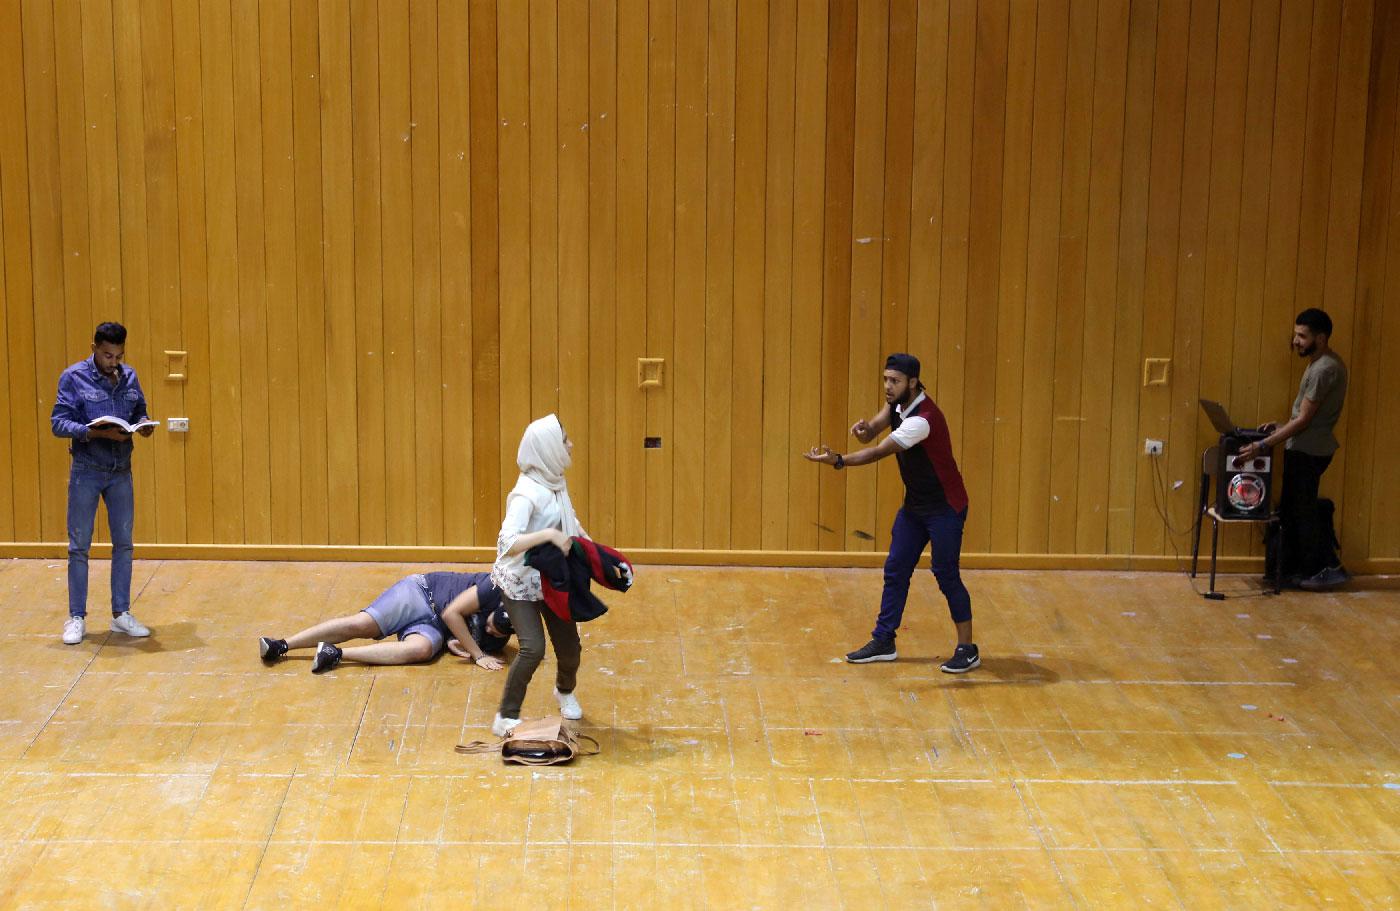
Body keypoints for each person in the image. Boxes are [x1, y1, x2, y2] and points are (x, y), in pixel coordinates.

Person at [803, 353, 979, 673]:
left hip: (945, 509)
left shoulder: (922, 420)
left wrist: (839, 460)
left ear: (912, 383)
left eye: (894, 381)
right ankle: (884, 640)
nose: (887, 386)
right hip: (916, 506)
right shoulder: (898, 404)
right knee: (896, 568)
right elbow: (873, 431)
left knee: (945, 572)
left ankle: (967, 648)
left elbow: (877, 452)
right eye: (886, 379)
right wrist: (865, 429)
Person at [50, 322, 155, 645]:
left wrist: (143, 425)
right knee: (79, 546)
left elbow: (139, 411)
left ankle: (121, 613)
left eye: (118, 356)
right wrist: (95, 432)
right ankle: (76, 617)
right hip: (87, 469)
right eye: (107, 355)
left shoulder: (129, 376)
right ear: (94, 347)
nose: (113, 361)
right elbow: (58, 423)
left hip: (121, 470)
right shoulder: (73, 377)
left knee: (124, 543)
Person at [491, 414, 588, 736]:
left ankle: (564, 690)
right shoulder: (525, 494)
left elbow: (569, 521)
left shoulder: (555, 481)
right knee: (533, 648)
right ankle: (506, 716)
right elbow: (507, 543)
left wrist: (593, 551)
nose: (570, 445)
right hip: (520, 584)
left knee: (570, 648)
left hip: (552, 579)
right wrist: (547, 535)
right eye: (564, 441)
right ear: (547, 448)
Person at [1240, 308, 1349, 590]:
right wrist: (1279, 427)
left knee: (1303, 512)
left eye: (1302, 336)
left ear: (1321, 338)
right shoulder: (1320, 363)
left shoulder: (1324, 369)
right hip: (1305, 446)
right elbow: (1304, 417)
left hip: (1308, 450)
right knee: (1296, 509)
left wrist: (1263, 444)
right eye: (1296, 334)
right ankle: (1297, 569)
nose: (1296, 341)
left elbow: (1304, 421)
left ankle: (1324, 568)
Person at [257, 571, 513, 673]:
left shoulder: (499, 638)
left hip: (432, 627)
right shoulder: (493, 587)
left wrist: (456, 643)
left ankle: (334, 654)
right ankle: (281, 645)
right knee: (361, 625)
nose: (489, 629)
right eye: (489, 623)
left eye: (495, 632)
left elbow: (455, 633)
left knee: (420, 650)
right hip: (422, 594)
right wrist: (477, 655)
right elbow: (451, 614)